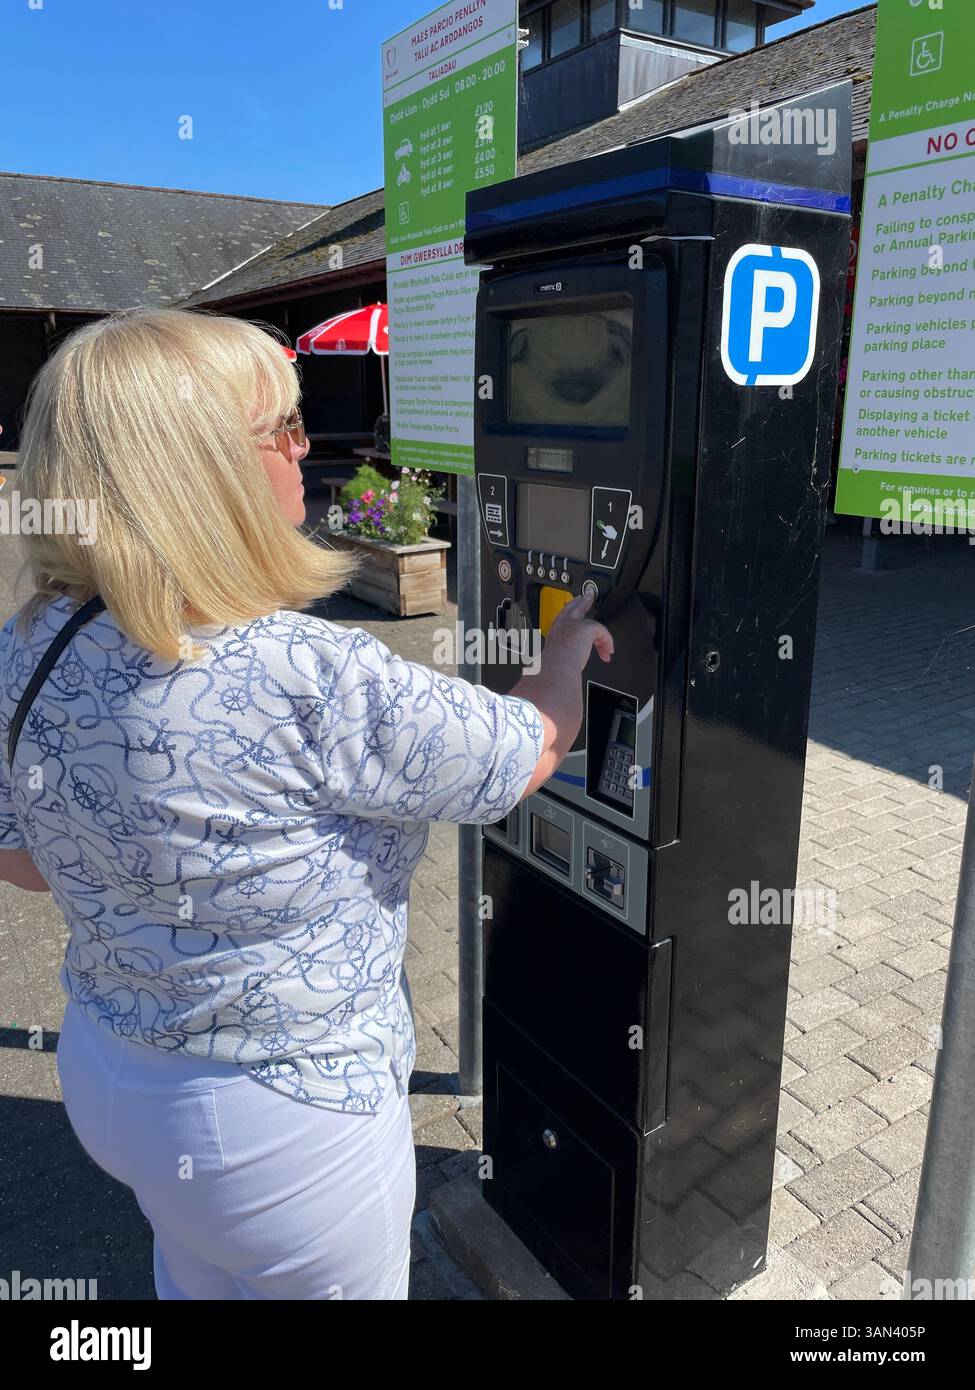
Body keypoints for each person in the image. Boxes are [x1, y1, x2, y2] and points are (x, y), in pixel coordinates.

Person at [0, 308, 612, 1300]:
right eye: (281, 426)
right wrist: (567, 653)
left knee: (197, 1272)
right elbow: (527, 751)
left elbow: (24, 860)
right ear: (194, 472)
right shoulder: (313, 674)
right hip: (282, 1117)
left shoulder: (30, 645)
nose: (306, 446)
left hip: (111, 1071)